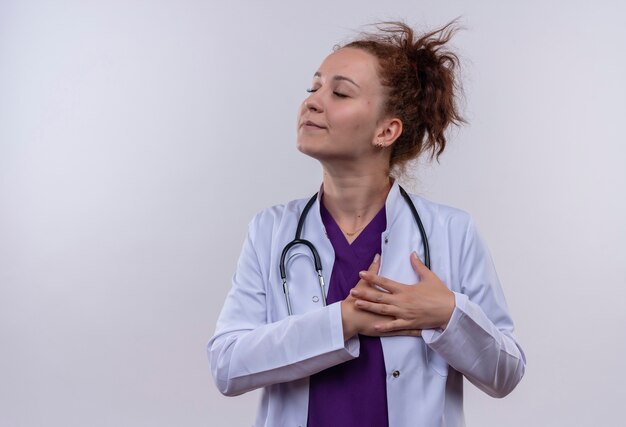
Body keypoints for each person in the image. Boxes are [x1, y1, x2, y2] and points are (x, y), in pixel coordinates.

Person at [207, 21, 526, 427]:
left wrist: (447, 313)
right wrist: (343, 321)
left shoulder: (452, 231)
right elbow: (227, 365)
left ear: (387, 130)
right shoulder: (271, 230)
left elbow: (505, 374)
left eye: (339, 92)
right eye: (314, 88)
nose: (313, 102)